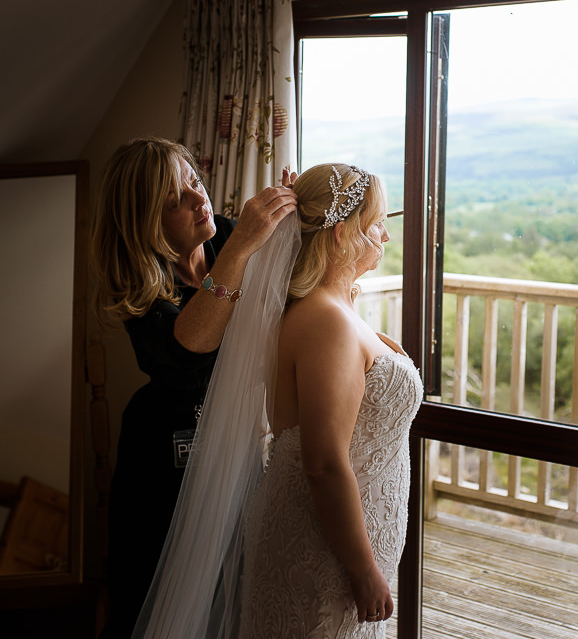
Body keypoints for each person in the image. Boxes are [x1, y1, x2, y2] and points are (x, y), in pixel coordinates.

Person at [131, 163, 422, 639]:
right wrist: (364, 569)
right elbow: (324, 463)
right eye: (376, 226)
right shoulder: (324, 322)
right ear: (341, 234)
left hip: (340, 542)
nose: (386, 238)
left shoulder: (332, 309)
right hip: (324, 553)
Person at [90, 137, 298, 639]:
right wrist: (245, 247)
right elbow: (189, 349)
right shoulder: (141, 287)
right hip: (163, 453)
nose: (198, 199)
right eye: (174, 200)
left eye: (195, 183)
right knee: (156, 587)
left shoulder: (226, 234)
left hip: (233, 435)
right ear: (146, 221)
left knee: (235, 580)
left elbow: (297, 298)